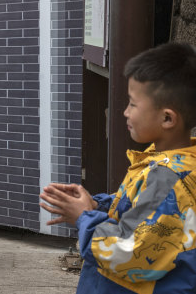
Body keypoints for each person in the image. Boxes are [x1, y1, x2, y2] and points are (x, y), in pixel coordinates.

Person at [40, 42, 196, 293]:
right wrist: (98, 205)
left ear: (167, 118)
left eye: (133, 104)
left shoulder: (167, 178)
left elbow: (128, 253)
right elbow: (144, 211)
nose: (125, 112)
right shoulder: (174, 163)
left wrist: (85, 218)